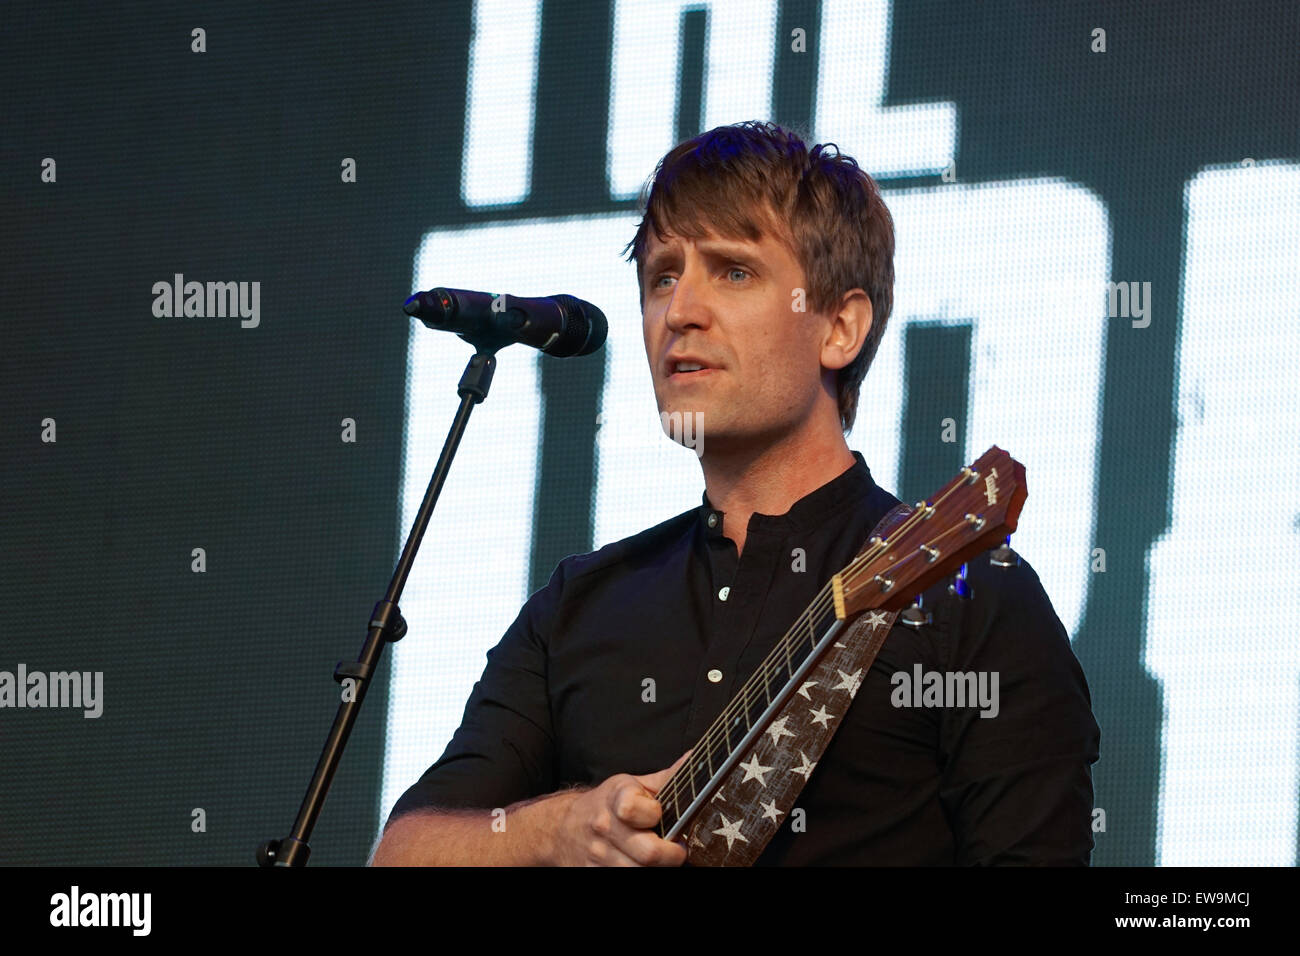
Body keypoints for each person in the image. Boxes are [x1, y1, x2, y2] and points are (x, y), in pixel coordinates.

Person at [370, 121, 1100, 866]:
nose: (679, 310)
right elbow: (403, 853)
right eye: (662, 276)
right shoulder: (579, 605)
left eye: (734, 272)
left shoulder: (968, 591)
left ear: (840, 329)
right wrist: (557, 832)